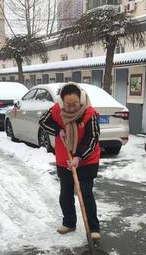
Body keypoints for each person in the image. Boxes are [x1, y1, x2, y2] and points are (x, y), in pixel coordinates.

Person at [39, 82, 101, 241]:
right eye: (68, 105)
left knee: (85, 193)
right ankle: (69, 223)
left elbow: (92, 138)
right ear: (62, 101)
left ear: (80, 100)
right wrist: (59, 130)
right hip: (64, 158)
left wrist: (79, 157)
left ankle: (93, 228)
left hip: (87, 159)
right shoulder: (56, 111)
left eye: (75, 104)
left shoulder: (89, 113)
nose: (72, 108)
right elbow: (43, 122)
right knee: (65, 193)